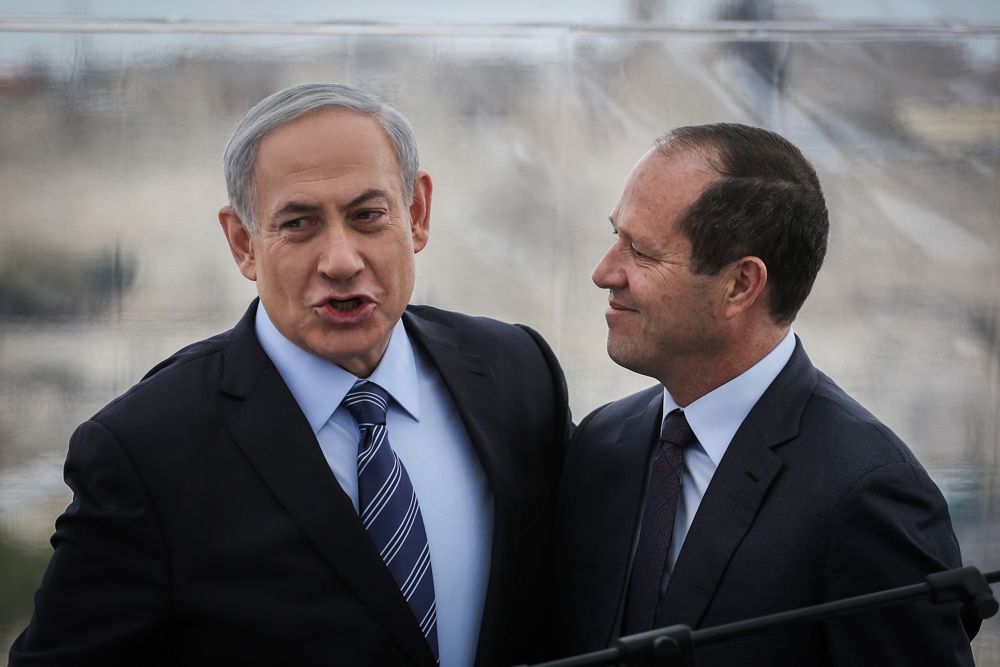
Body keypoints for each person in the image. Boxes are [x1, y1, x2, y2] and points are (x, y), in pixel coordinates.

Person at [10, 83, 570, 667]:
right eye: (299, 224)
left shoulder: (516, 372)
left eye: (367, 216)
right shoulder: (146, 449)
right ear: (243, 243)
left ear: (418, 214)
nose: (341, 261)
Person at [551, 123, 977, 666]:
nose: (604, 271)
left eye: (641, 251)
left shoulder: (867, 490)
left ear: (740, 285)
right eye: (615, 236)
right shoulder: (603, 443)